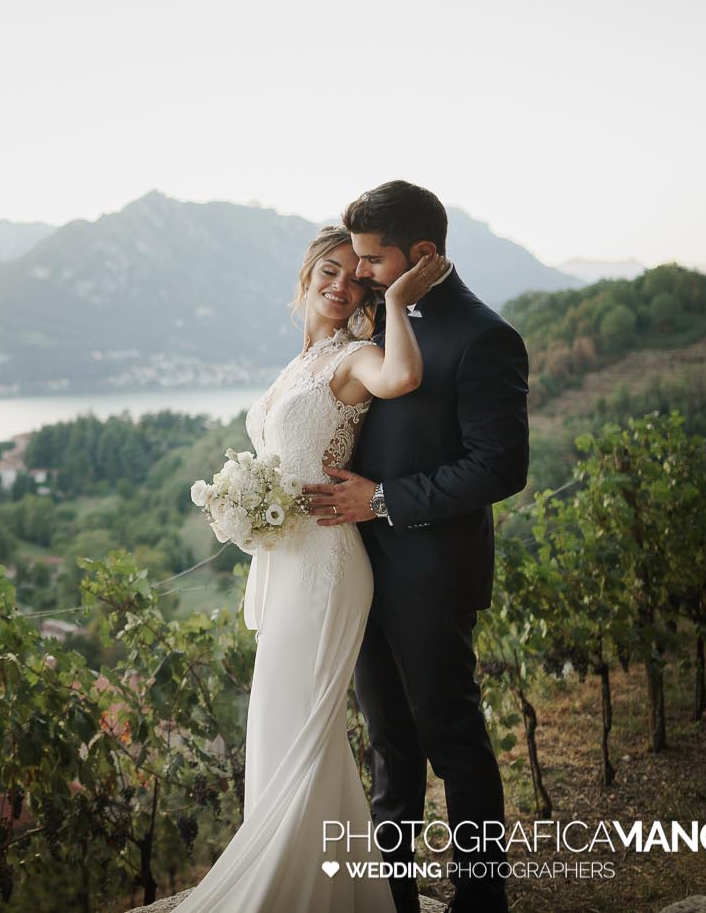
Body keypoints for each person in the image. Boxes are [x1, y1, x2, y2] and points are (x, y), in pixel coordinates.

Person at [179, 224, 442, 912]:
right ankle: (327, 889)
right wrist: (242, 504)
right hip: (284, 561)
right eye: (330, 270)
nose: (341, 284)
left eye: (356, 278)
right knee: (280, 721)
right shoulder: (299, 361)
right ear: (305, 276)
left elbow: (405, 375)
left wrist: (399, 300)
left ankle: (287, 888)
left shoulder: (356, 355)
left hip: (326, 562)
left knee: (303, 722)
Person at [302, 180, 529, 913]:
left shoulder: (483, 336)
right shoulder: (372, 316)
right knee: (389, 750)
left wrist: (383, 499)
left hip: (432, 573)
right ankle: (391, 901)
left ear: (423, 254)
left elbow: (499, 466)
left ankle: (479, 901)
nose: (359, 270)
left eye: (372, 257)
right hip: (360, 569)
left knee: (452, 741)